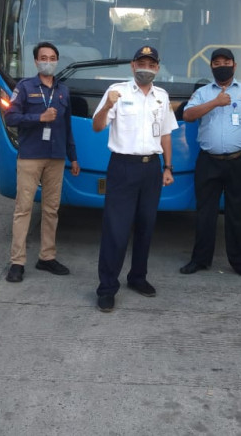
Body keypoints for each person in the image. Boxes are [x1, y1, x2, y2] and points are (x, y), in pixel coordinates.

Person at [92, 46, 178, 312]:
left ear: (157, 68)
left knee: (146, 226)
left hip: (151, 168)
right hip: (123, 167)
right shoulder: (117, 92)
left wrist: (168, 167)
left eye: (151, 65)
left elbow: (165, 135)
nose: (146, 68)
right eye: (142, 63)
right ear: (132, 66)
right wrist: (107, 105)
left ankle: (137, 277)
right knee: (116, 230)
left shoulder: (161, 97)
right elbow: (97, 126)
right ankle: (107, 288)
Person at [180, 48, 241, 281]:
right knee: (205, 213)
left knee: (238, 214)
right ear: (211, 67)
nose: (222, 66)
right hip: (209, 161)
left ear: (234, 65)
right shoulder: (203, 93)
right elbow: (188, 115)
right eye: (217, 63)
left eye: (226, 62)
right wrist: (215, 103)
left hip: (239, 162)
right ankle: (200, 259)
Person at [4, 42, 80, 283]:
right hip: (31, 157)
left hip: (56, 158)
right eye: (43, 57)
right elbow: (11, 117)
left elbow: (67, 127)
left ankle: (47, 257)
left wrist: (74, 157)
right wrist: (39, 117)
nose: (48, 61)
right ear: (36, 61)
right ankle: (17, 261)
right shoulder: (25, 87)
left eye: (53, 57)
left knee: (51, 210)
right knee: (23, 209)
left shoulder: (63, 91)